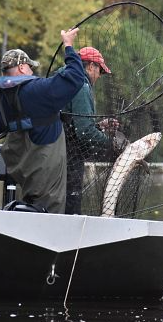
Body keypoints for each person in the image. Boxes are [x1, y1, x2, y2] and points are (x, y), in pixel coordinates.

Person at [0, 28, 85, 214]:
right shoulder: (38, 90)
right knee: (49, 212)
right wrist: (68, 46)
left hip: (20, 169)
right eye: (30, 67)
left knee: (28, 206)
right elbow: (76, 77)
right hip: (44, 170)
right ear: (22, 68)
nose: (32, 71)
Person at [60, 46, 122, 215]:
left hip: (55, 152)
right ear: (91, 66)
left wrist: (99, 126)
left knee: (58, 200)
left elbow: (72, 122)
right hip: (68, 156)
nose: (99, 76)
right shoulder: (81, 85)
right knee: (70, 204)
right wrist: (112, 142)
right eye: (100, 71)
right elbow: (85, 133)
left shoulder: (64, 78)